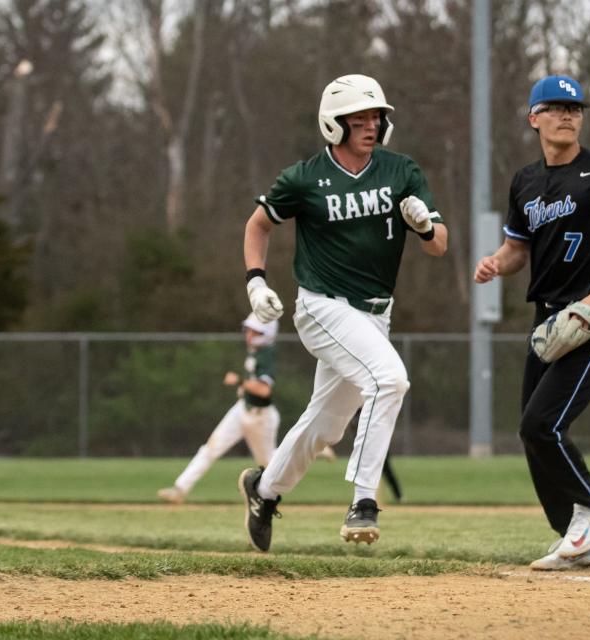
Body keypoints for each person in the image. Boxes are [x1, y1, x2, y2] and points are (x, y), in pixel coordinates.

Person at [237, 73, 448, 552]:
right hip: (321, 306)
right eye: (359, 118)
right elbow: (257, 226)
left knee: (326, 424)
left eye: (376, 116)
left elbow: (440, 246)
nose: (371, 125)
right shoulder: (304, 177)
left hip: (375, 315)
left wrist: (423, 227)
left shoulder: (401, 171)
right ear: (334, 124)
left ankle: (264, 490)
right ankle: (364, 501)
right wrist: (255, 281)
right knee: (390, 379)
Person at [474, 75, 590, 571]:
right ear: (534, 118)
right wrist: (495, 263)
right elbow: (517, 250)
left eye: (574, 108)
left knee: (542, 423)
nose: (568, 114)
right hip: (546, 324)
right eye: (554, 107)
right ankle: (577, 536)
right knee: (531, 433)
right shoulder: (526, 182)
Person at [158, 313, 280, 504]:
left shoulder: (266, 354)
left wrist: (240, 381)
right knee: (210, 448)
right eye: (248, 330)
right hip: (242, 409)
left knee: (270, 464)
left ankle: (309, 448)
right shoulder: (255, 351)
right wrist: (244, 387)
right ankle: (180, 489)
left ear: (265, 334)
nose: (248, 334)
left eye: (254, 331)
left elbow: (264, 390)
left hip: (260, 418)